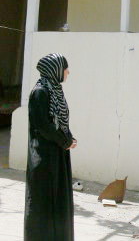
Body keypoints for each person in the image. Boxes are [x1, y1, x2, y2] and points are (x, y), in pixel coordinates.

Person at [24, 53, 77, 241]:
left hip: (57, 154)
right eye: (65, 68)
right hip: (43, 158)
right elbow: (43, 126)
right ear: (55, 70)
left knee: (59, 202)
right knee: (43, 203)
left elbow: (60, 122)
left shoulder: (54, 90)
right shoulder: (40, 92)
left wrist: (69, 138)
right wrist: (65, 141)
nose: (68, 72)